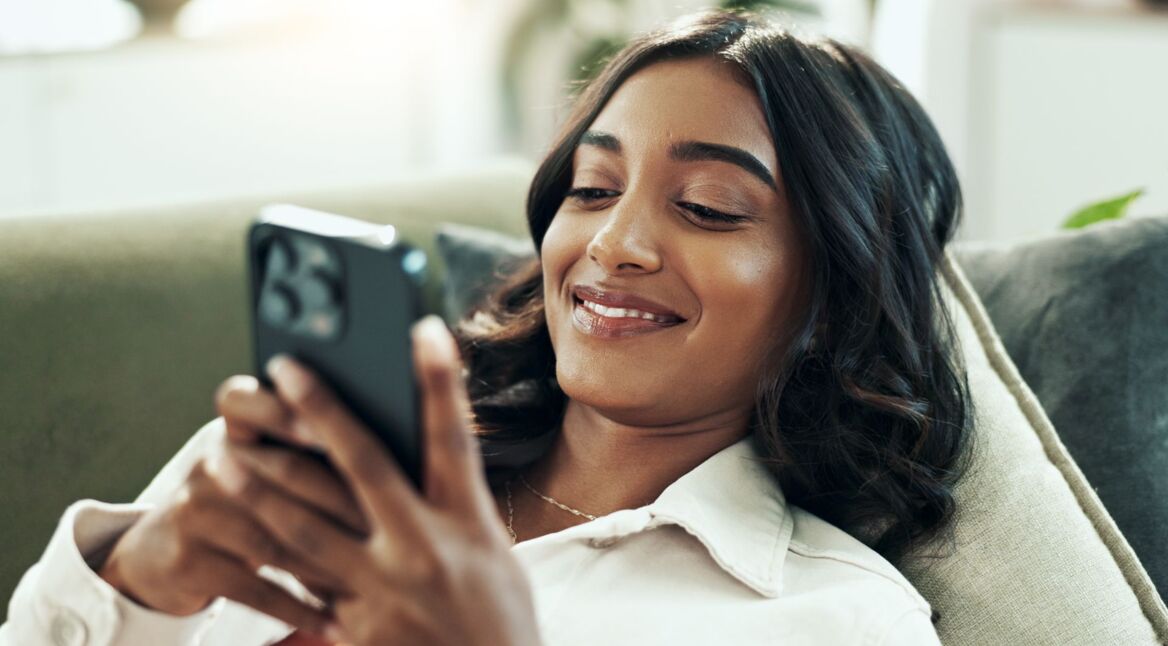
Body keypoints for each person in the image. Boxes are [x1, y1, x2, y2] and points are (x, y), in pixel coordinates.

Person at [1, 9, 971, 645]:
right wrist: (138, 577)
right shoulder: (303, 462)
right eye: (592, 187)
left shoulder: (832, 618)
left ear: (833, 294)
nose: (615, 242)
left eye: (711, 207)